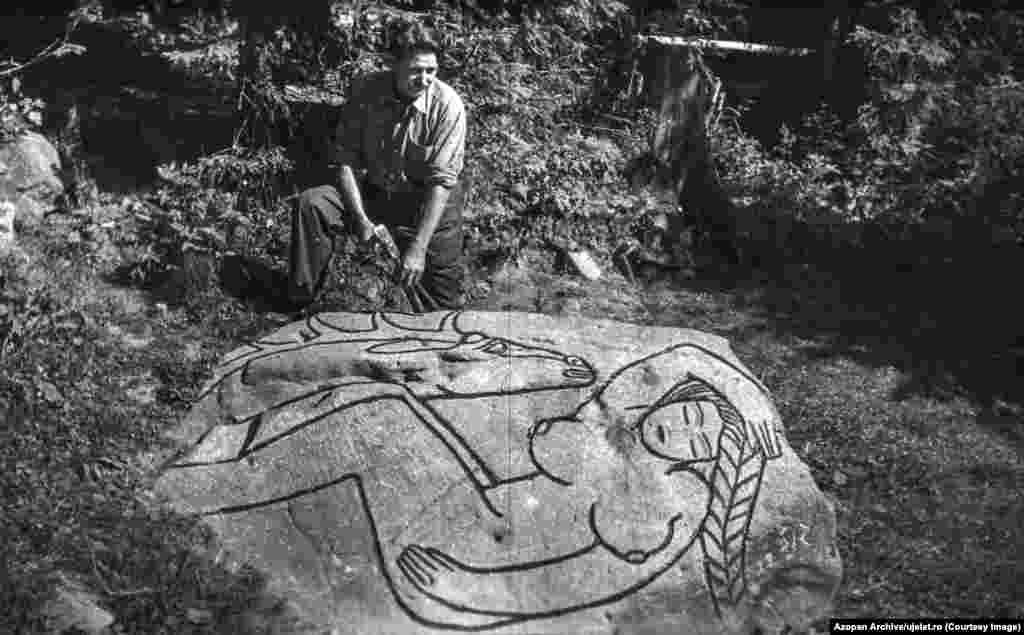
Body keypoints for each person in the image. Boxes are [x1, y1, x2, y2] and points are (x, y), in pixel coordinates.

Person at [288, 19, 468, 311]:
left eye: (431, 71)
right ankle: (300, 302)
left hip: (429, 206)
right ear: (392, 64)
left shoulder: (448, 106)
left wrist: (418, 249)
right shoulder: (366, 92)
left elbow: (442, 183)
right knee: (314, 204)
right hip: (378, 192)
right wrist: (360, 219)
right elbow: (345, 160)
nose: (425, 80)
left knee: (440, 309)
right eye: (415, 70)